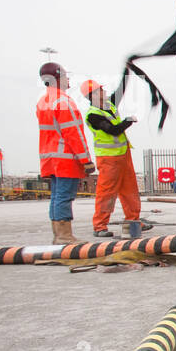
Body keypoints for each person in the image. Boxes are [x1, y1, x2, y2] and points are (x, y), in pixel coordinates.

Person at [80, 79, 150, 237]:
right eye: (101, 90)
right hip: (109, 159)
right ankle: (99, 226)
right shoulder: (93, 115)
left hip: (123, 155)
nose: (104, 92)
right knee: (107, 193)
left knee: (130, 190)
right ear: (94, 95)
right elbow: (112, 130)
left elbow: (120, 91)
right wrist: (128, 121)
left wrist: (127, 71)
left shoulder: (108, 106)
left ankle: (133, 222)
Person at [36, 62, 93, 244]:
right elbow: (73, 133)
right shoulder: (63, 101)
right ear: (58, 77)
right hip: (66, 158)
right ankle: (64, 236)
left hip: (50, 158)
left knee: (56, 196)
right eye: (66, 76)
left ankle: (57, 235)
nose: (68, 80)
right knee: (64, 196)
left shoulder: (43, 101)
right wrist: (86, 160)